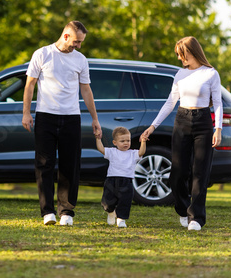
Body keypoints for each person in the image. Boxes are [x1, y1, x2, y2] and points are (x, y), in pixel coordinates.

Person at [22, 21, 102, 226]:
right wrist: (26, 113)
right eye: (77, 41)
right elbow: (30, 85)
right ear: (66, 36)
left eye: (81, 42)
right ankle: (47, 212)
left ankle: (66, 212)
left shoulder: (81, 60)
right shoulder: (42, 54)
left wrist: (95, 118)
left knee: (70, 166)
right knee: (44, 164)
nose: (79, 46)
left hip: (71, 118)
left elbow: (86, 90)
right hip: (45, 116)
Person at [141, 36, 223, 231]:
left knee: (200, 173)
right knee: (177, 172)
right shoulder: (179, 75)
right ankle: (183, 208)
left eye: (181, 54)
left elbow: (218, 103)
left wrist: (217, 129)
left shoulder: (210, 74)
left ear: (191, 51)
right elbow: (170, 102)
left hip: (203, 122)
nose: (179, 58)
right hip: (182, 120)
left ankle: (196, 218)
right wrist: (153, 126)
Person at [96, 127, 146, 228]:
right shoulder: (112, 152)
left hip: (126, 182)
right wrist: (98, 139)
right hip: (111, 181)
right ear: (115, 142)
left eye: (128, 140)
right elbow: (101, 149)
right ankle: (110, 212)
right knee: (107, 201)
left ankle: (121, 219)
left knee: (125, 201)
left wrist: (143, 142)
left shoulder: (133, 153)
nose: (126, 143)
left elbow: (141, 152)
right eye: (122, 141)